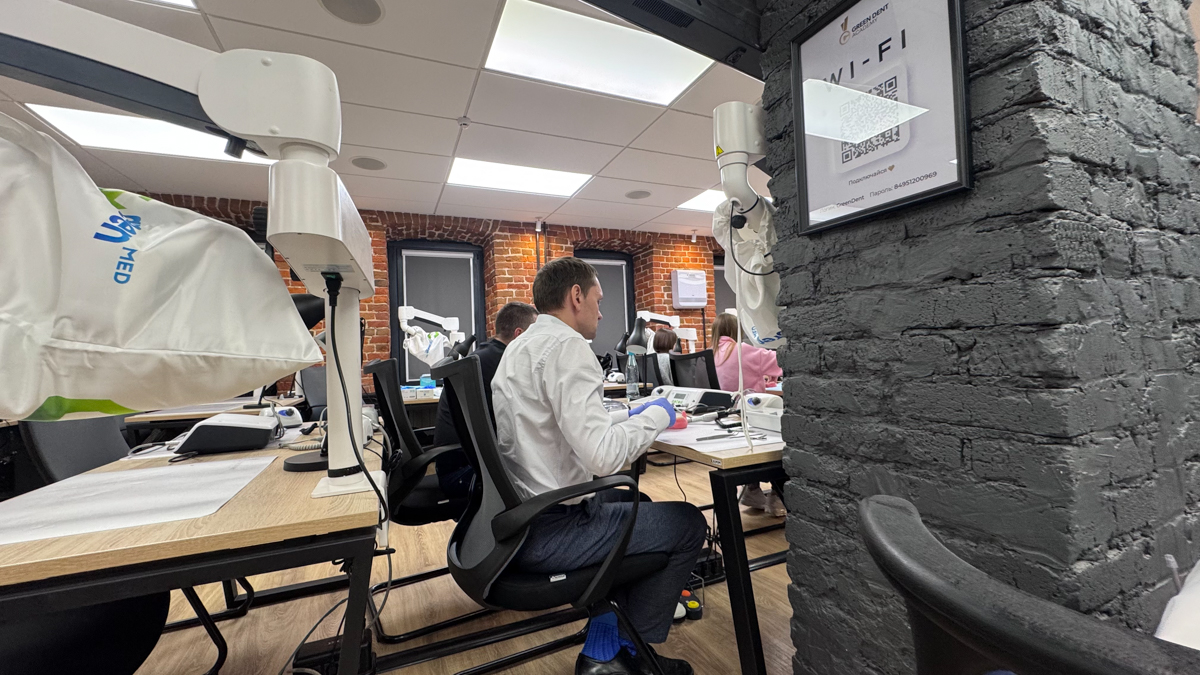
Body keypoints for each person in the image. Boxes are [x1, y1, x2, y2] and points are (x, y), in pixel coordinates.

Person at [492, 257, 705, 675]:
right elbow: (604, 457)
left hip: (520, 520)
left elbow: (558, 426)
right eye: (598, 300)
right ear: (576, 296)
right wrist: (657, 415)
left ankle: (604, 644)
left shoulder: (520, 347)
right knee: (688, 523)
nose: (601, 312)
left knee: (635, 502)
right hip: (553, 530)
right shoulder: (568, 347)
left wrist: (630, 413)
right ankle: (631, 655)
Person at [431, 301, 538, 499]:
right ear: (519, 335)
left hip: (456, 466)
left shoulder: (483, 356)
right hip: (467, 474)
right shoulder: (504, 364)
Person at [711, 312, 786, 517]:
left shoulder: (711, 354)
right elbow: (782, 362)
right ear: (737, 330)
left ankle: (752, 490)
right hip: (753, 417)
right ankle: (777, 496)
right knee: (781, 440)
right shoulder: (742, 350)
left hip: (726, 418)